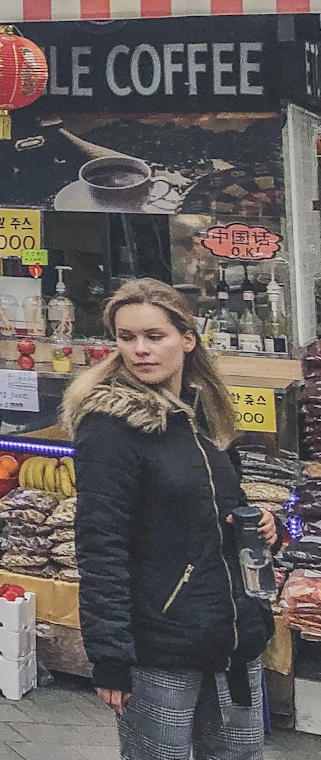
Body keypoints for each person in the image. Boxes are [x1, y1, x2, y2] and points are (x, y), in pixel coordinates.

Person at [67, 277, 275, 758]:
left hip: (232, 633)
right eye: (126, 337)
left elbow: (224, 510)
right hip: (159, 643)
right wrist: (110, 657)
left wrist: (265, 525)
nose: (139, 350)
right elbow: (100, 546)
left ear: (188, 337)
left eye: (154, 336)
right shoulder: (110, 427)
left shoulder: (203, 414)